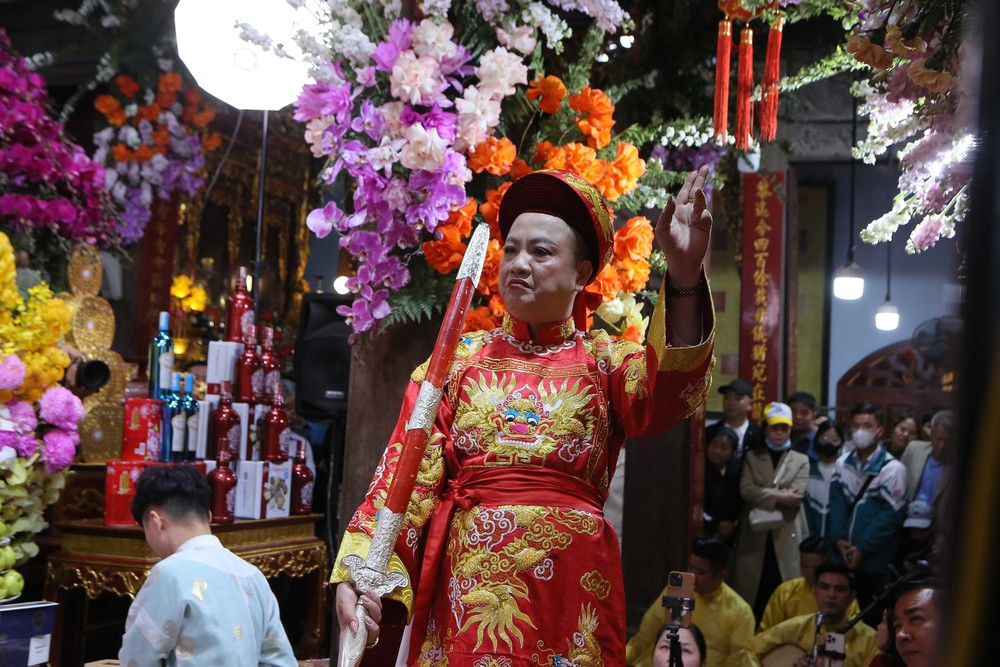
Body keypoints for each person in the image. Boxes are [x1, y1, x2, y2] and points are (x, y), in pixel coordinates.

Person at [333, 167, 716, 664]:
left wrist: (683, 274)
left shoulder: (605, 362)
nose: (518, 263)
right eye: (510, 249)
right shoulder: (456, 364)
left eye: (540, 251)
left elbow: (671, 389)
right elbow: (403, 482)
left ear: (581, 273)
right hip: (469, 597)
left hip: (569, 594)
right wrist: (360, 571)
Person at [119, 465, 298, 665]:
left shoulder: (169, 573)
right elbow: (279, 659)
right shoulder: (252, 575)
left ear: (155, 521)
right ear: (209, 517)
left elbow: (138, 656)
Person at [828, 403, 907, 627]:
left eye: (867, 425)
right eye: (856, 425)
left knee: (871, 624)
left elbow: (889, 517)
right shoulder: (842, 464)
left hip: (875, 563)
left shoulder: (893, 469)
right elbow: (836, 505)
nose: (860, 430)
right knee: (839, 623)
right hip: (841, 558)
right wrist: (838, 540)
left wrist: (863, 548)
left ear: (879, 430)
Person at [731, 402, 810, 620]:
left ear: (790, 430)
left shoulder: (801, 460)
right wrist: (780, 496)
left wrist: (764, 494)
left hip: (786, 531)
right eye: (774, 427)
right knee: (753, 590)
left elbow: (796, 495)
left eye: (784, 428)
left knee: (783, 588)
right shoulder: (752, 457)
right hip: (755, 533)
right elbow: (746, 490)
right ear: (765, 428)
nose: (779, 432)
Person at [628, 538, 754, 667]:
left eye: (701, 572)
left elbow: (738, 660)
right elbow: (644, 638)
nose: (692, 575)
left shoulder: (740, 611)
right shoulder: (675, 592)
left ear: (720, 575)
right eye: (690, 567)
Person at [725, 563, 877, 667]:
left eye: (839, 589)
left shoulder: (869, 639)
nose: (831, 594)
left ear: (851, 597)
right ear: (814, 591)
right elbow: (748, 651)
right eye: (824, 587)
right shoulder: (796, 627)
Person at [759, 537, 861, 632]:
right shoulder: (785, 591)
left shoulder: (842, 596)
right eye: (804, 566)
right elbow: (766, 632)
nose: (809, 573)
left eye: (815, 568)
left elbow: (854, 634)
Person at [803, 420, 846, 538]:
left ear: (842, 442)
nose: (829, 443)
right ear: (816, 440)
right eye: (824, 438)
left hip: (838, 537)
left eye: (835, 440)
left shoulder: (846, 472)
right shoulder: (807, 470)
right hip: (810, 535)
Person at [900, 410, 951, 505]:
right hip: (908, 511)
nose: (942, 445)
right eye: (938, 439)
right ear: (931, 434)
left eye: (948, 441)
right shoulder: (914, 449)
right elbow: (899, 482)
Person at [703, 427, 743, 544]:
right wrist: (716, 524)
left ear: (733, 453)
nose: (717, 451)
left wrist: (731, 524)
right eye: (714, 446)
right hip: (705, 529)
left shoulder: (737, 471)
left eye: (723, 448)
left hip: (731, 531)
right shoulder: (700, 470)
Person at [706, 378, 760, 462]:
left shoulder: (758, 434)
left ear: (750, 404)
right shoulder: (710, 432)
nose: (731, 402)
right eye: (727, 398)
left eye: (737, 398)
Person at [786, 392, 819, 459]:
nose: (798, 417)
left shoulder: (818, 441)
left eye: (804, 413)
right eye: (793, 411)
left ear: (813, 416)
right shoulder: (779, 437)